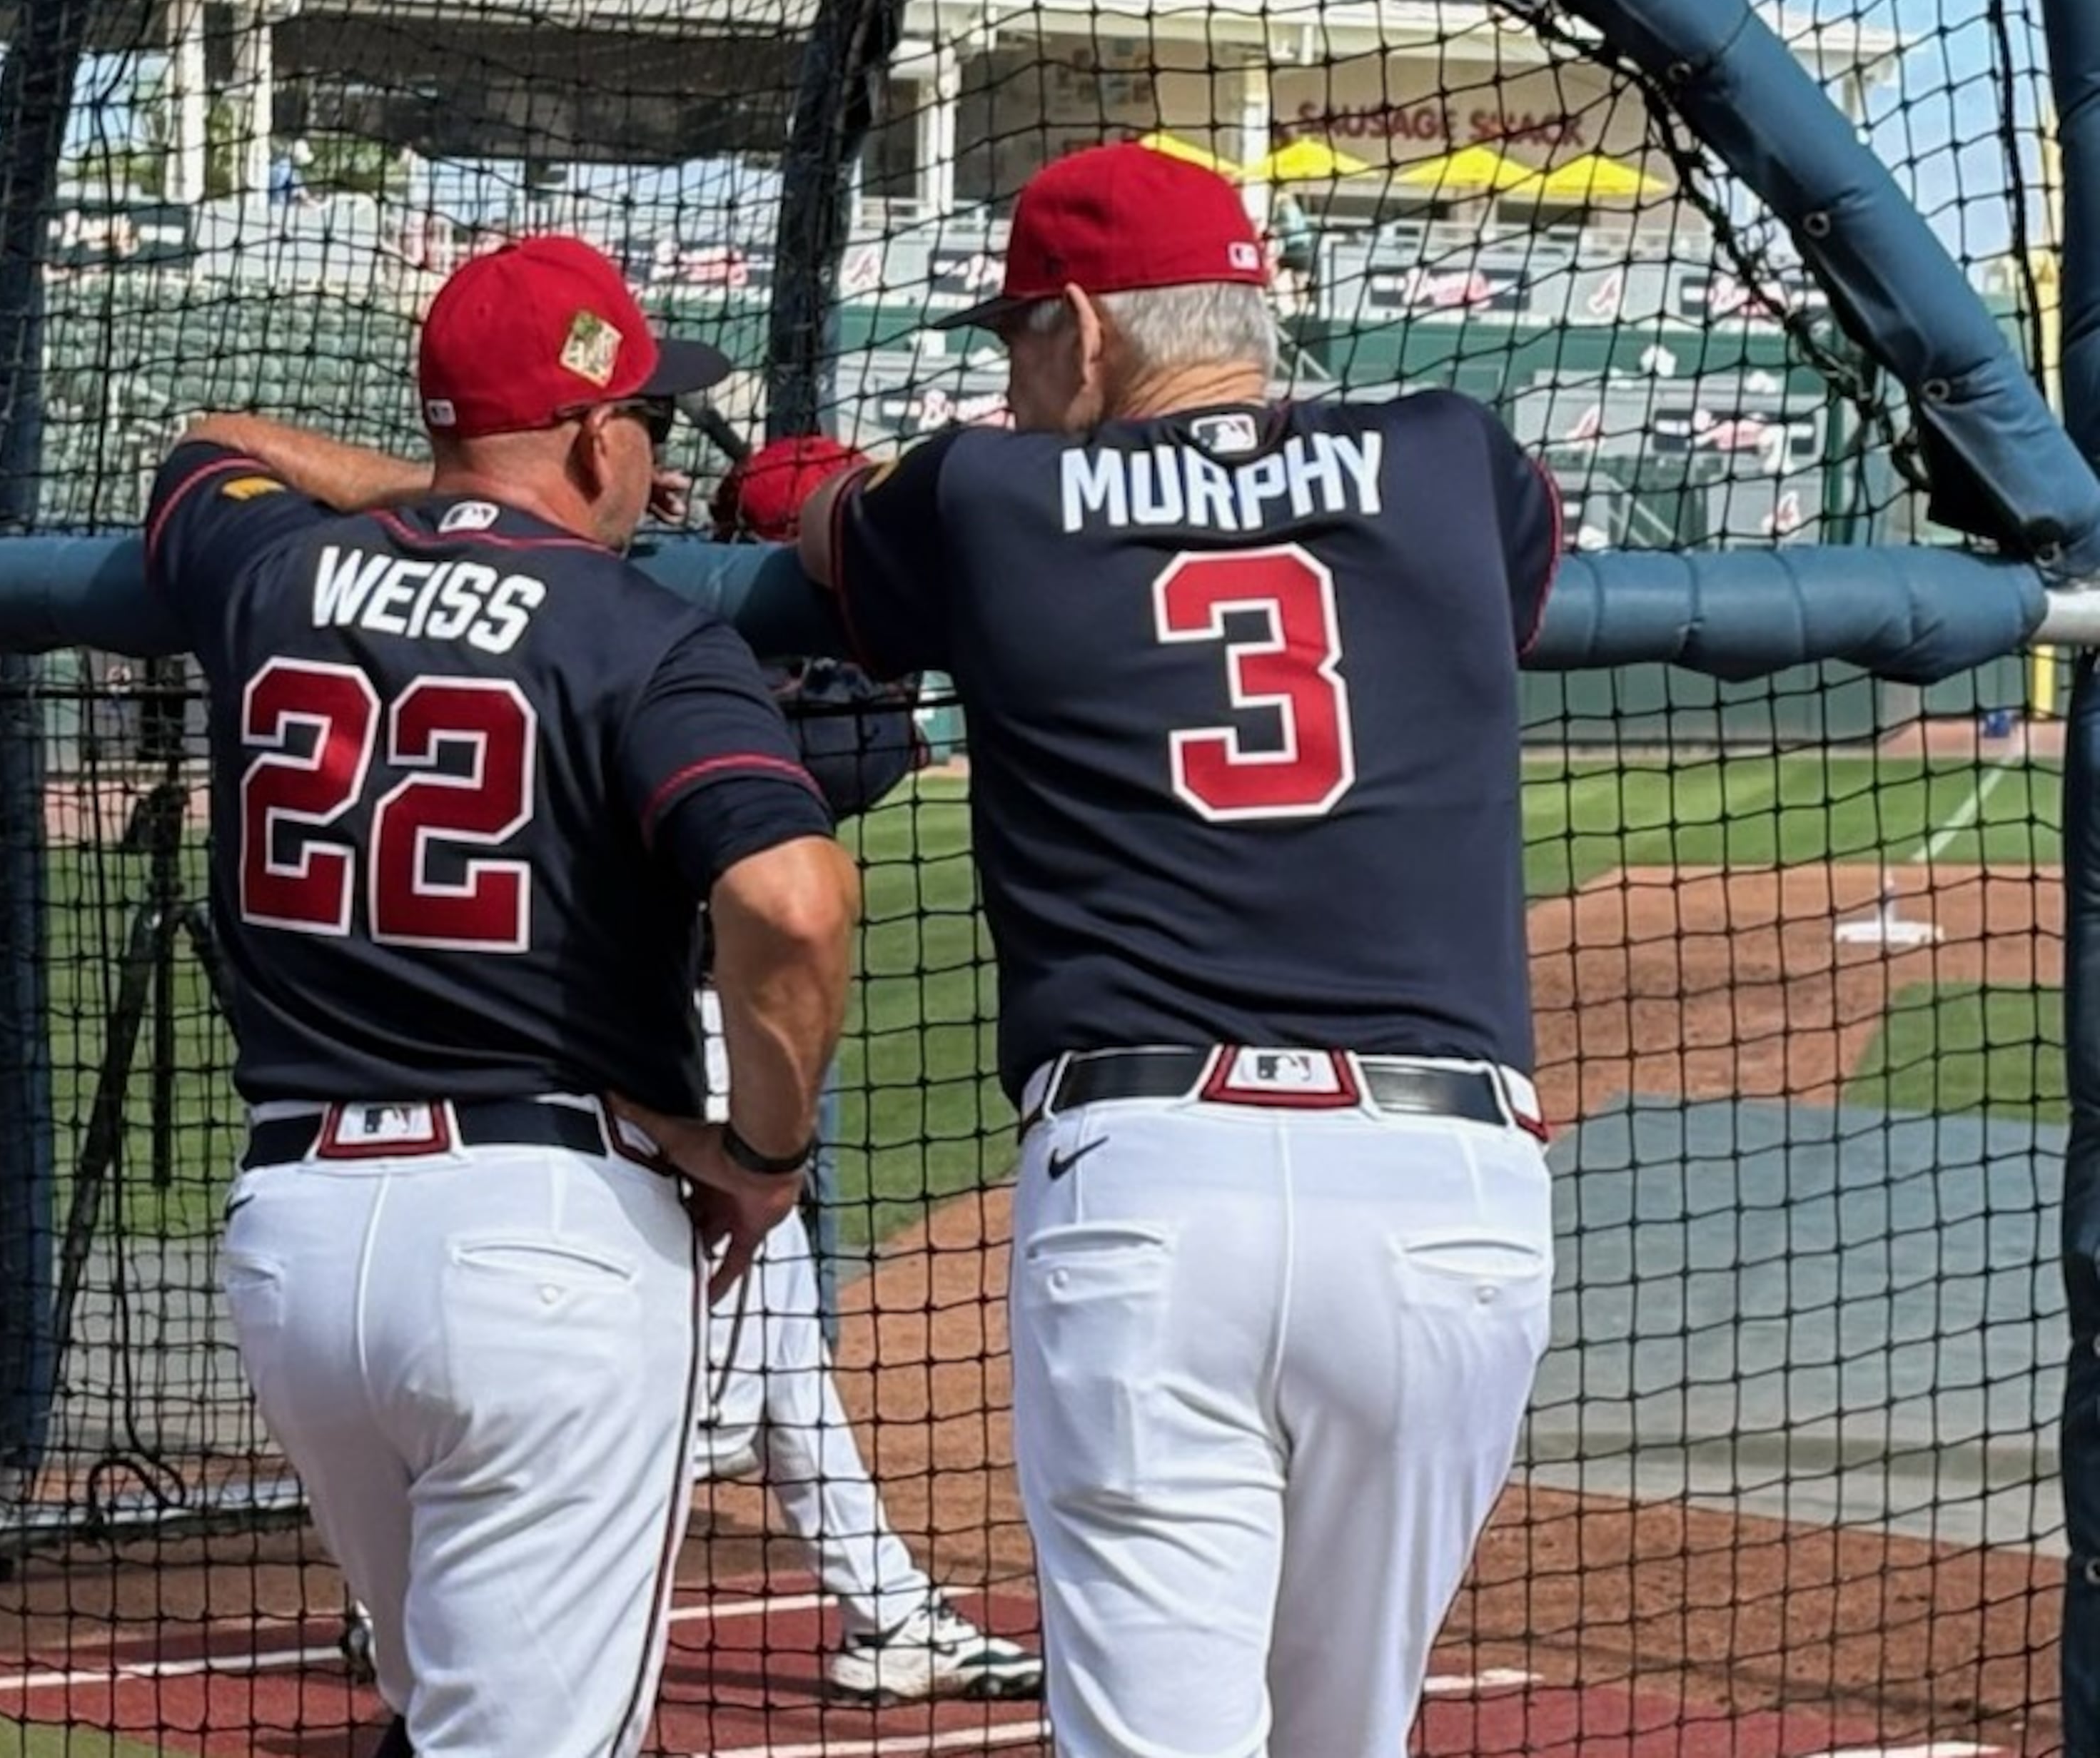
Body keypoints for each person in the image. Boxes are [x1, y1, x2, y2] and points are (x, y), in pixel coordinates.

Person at [794, 138, 1561, 1758]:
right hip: (1442, 1201)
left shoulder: (979, 493)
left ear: (1082, 327)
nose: (1005, 379)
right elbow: (1499, 585)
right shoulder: (1447, 453)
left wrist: (866, 474)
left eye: (1015, 336)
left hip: (1153, 1183)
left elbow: (825, 533)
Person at [146, 233, 862, 1758]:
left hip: (299, 1252)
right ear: (600, 435)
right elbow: (792, 903)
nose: (657, 454)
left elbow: (206, 446)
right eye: (649, 420)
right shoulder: (647, 634)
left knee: (440, 1715)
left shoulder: (268, 574)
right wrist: (767, 1161)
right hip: (543, 1249)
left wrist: (442, 497)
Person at [697, 434, 1043, 1706]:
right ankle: (420, 1596)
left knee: (779, 1356)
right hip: (684, 1046)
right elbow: (878, 744)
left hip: (706, 1029)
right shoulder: (741, 689)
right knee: (698, 1393)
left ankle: (892, 1610)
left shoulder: (702, 660)